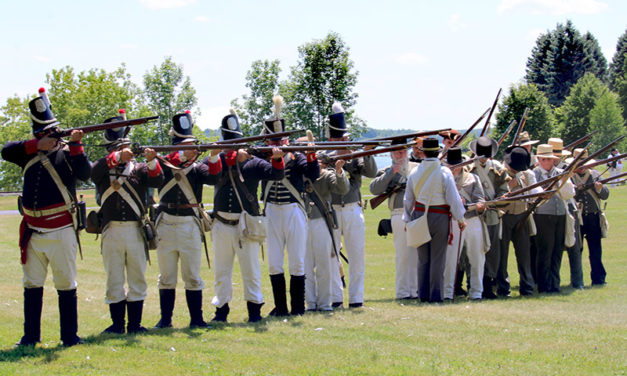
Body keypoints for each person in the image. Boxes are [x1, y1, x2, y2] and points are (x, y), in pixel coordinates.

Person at [2, 89, 90, 347]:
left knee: (65, 284)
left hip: (61, 228)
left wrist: (76, 145)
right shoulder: (28, 152)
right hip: (32, 229)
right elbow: (6, 151)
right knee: (32, 285)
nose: (45, 138)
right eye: (40, 134)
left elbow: (86, 173)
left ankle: (69, 337)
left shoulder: (68, 152)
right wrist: (35, 146)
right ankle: (30, 337)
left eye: (48, 133)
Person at [208, 110, 285, 323]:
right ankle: (221, 311)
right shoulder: (218, 161)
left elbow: (276, 174)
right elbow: (210, 175)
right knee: (221, 272)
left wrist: (278, 159)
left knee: (250, 271)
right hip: (221, 224)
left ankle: (254, 312)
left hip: (245, 224)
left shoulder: (253, 163)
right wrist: (216, 156)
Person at [91, 112, 164, 334]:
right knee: (114, 277)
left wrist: (152, 161)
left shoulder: (139, 169)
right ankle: (116, 325)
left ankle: (134, 325)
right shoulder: (104, 168)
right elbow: (93, 173)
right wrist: (116, 159)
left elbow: (157, 179)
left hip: (135, 229)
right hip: (111, 229)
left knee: (137, 277)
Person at [153, 111, 222, 329]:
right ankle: (165, 320)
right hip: (165, 221)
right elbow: (161, 171)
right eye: (186, 145)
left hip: (189, 224)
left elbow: (213, 177)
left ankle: (197, 319)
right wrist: (182, 155)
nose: (191, 149)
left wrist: (213, 156)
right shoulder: (164, 163)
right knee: (166, 276)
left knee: (192, 275)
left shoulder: (198, 167)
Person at [261, 96, 320, 316]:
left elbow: (312, 174)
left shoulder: (295, 155)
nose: (278, 143)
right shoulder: (262, 155)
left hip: (294, 210)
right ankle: (281, 307)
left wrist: (311, 154)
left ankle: (297, 307)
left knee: (297, 261)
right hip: (272, 212)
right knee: (275, 263)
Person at [327, 102, 378, 308]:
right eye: (339, 138)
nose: (343, 141)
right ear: (331, 139)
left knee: (356, 256)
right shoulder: (326, 157)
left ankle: (356, 299)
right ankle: (335, 298)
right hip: (331, 211)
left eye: (345, 137)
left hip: (352, 209)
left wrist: (367, 152)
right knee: (332, 255)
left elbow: (372, 172)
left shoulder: (355, 156)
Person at [403, 138, 466, 303]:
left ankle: (423, 294)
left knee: (423, 258)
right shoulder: (444, 172)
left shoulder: (414, 172)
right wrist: (460, 218)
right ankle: (436, 296)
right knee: (438, 258)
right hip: (439, 216)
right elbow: (453, 198)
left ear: (423, 152)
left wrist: (407, 220)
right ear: (438, 152)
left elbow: (408, 200)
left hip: (418, 215)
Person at [369, 140, 419, 299]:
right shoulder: (386, 171)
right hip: (398, 213)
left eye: (403, 151)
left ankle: (416, 290)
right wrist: (392, 172)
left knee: (417, 254)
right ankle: (403, 292)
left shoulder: (417, 169)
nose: (401, 154)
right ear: (391, 153)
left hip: (417, 214)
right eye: (397, 151)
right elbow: (374, 189)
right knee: (403, 255)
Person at [304, 154, 349, 311]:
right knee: (306, 266)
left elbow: (343, 189)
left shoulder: (327, 176)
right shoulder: (301, 174)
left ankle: (324, 303)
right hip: (303, 222)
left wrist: (338, 171)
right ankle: (310, 302)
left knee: (324, 264)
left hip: (322, 221)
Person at [442, 148, 487, 301]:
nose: (454, 167)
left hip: (472, 219)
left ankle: (476, 292)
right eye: (451, 164)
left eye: (456, 164)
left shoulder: (472, 178)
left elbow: (480, 199)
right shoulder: (443, 178)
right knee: (450, 259)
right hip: (452, 220)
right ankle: (447, 292)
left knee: (477, 258)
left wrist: (474, 204)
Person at [467, 136, 509, 299]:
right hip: (474, 215)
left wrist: (496, 202)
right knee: (474, 250)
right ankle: (474, 284)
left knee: (492, 251)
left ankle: (489, 285)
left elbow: (504, 190)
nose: (483, 157)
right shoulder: (468, 169)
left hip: (492, 214)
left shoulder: (497, 168)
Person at [532, 144, 575, 293]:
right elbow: (534, 194)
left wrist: (562, 181)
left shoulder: (560, 173)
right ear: (538, 159)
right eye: (543, 159)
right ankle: (544, 285)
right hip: (543, 216)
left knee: (557, 250)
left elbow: (569, 193)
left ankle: (555, 284)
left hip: (560, 214)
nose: (546, 162)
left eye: (549, 159)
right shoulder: (534, 174)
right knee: (545, 251)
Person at [498, 146, 540, 296]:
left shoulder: (526, 175)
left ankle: (527, 287)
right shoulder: (499, 174)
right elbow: (493, 197)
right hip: (504, 216)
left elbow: (534, 194)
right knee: (502, 256)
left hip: (522, 216)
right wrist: (509, 187)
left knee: (524, 254)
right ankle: (503, 288)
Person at [573, 153, 610, 286]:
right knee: (577, 251)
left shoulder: (595, 175)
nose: (582, 166)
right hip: (577, 218)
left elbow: (605, 195)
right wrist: (576, 190)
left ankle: (598, 279)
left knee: (595, 250)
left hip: (593, 217)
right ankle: (578, 281)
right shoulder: (570, 177)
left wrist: (599, 189)